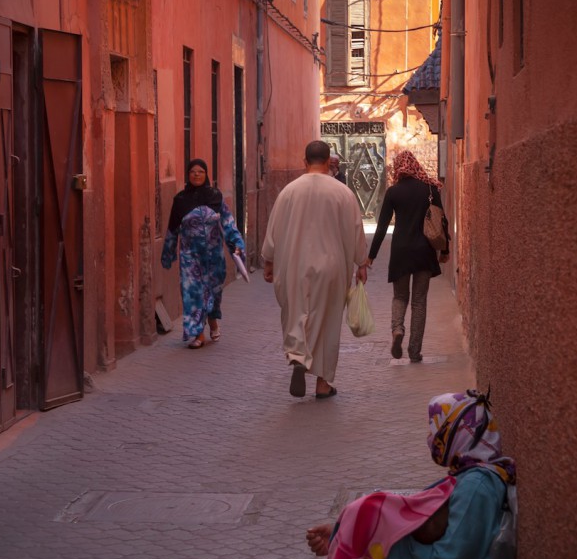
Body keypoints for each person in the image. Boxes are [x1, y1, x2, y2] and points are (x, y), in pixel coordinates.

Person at [267, 389, 516, 559]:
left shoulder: (478, 485)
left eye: (437, 429)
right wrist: (344, 537)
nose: (432, 439)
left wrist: (389, 537)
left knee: (370, 522)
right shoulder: (470, 477)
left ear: (459, 431)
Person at [261, 141, 368, 399]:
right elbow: (355, 230)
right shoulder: (342, 193)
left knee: (297, 312)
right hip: (332, 266)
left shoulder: (288, 192)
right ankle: (323, 383)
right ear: (329, 159)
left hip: (294, 265)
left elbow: (273, 232)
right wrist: (361, 263)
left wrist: (269, 262)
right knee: (328, 321)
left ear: (304, 161)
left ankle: (298, 355)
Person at [365, 150, 450, 363]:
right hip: (424, 252)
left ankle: (397, 329)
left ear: (397, 167)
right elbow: (442, 221)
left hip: (401, 252)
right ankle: (414, 351)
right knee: (419, 302)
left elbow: (382, 226)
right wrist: (445, 250)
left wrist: (371, 255)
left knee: (400, 296)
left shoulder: (394, 192)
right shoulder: (429, 188)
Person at [162, 159, 246, 349]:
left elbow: (228, 224)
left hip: (214, 257)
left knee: (214, 293)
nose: (197, 175)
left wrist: (237, 246)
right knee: (192, 293)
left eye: (201, 171)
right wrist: (168, 253)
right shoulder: (180, 200)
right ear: (188, 175)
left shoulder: (216, 196)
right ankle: (198, 334)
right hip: (190, 257)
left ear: (206, 174)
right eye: (193, 172)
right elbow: (172, 228)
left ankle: (213, 321)